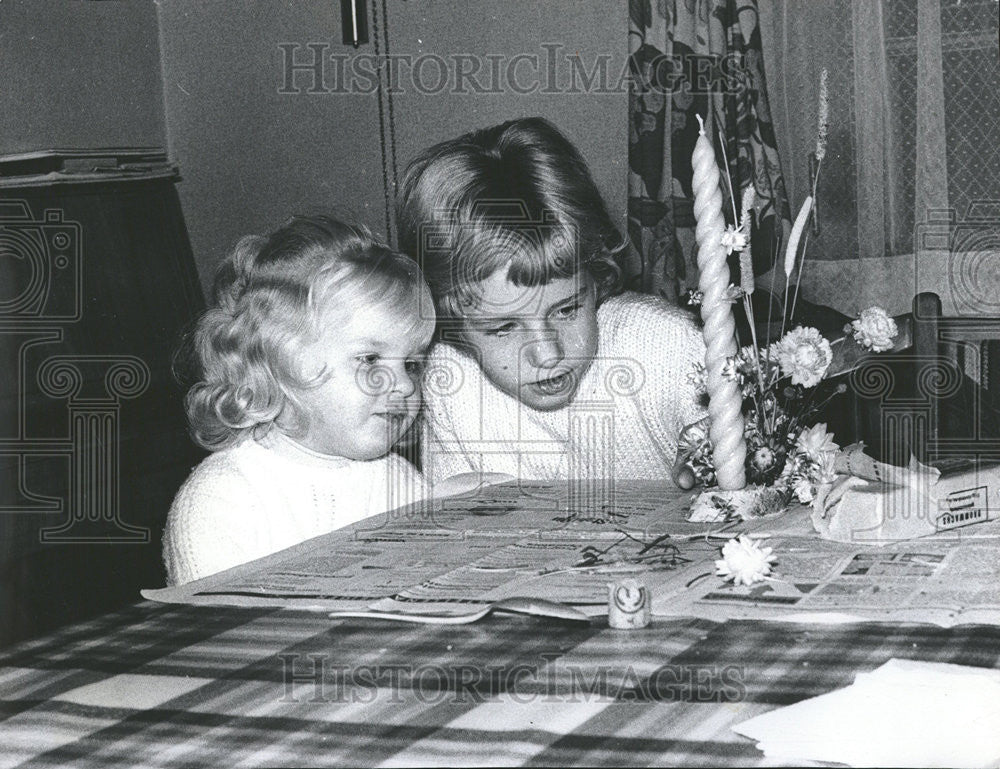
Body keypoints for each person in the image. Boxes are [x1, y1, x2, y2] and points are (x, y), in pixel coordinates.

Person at [397, 117, 707, 485]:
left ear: (595, 280)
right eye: (504, 327)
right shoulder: (449, 383)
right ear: (452, 325)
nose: (548, 354)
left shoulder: (665, 345)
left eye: (566, 310)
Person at [163, 215, 437, 585]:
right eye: (370, 359)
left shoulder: (401, 482)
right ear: (285, 359)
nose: (404, 385)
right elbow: (223, 632)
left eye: (412, 363)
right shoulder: (224, 498)